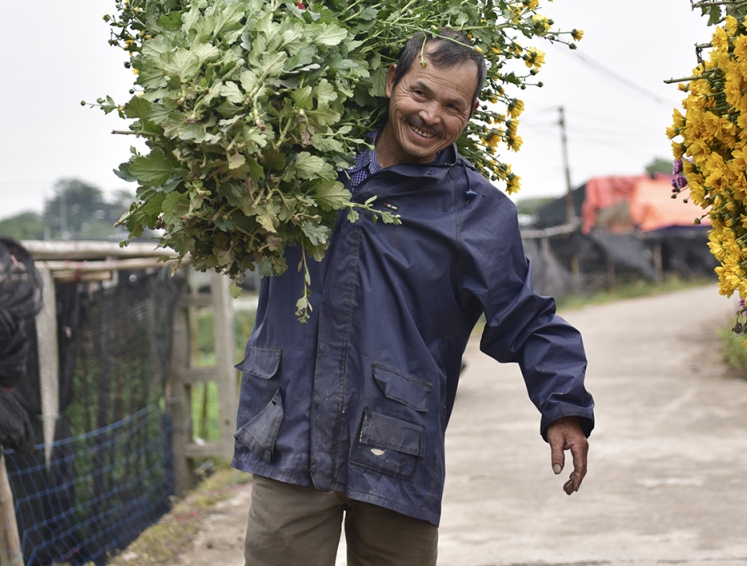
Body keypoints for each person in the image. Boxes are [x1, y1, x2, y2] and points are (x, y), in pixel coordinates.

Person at [232, 29, 595, 566]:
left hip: (393, 446)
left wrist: (564, 407)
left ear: (468, 117)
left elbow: (526, 318)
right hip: (289, 430)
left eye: (453, 106)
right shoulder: (301, 173)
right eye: (420, 93)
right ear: (390, 82)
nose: (431, 115)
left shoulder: (476, 210)